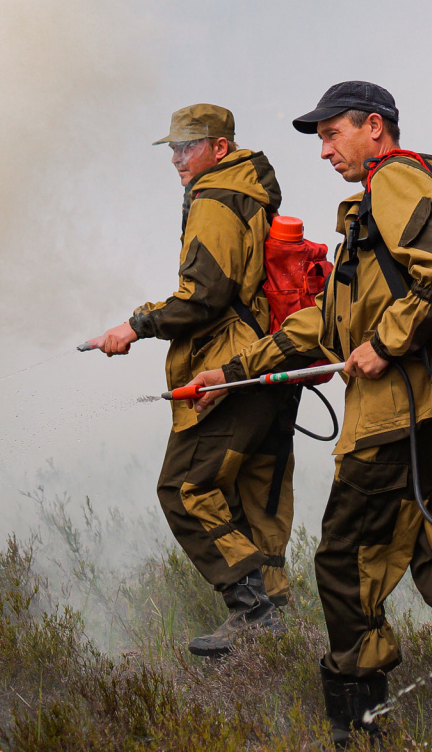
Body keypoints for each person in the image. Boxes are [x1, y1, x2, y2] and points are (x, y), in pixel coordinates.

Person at [185, 82, 432, 748]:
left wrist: (386, 341)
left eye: (332, 132)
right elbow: (330, 320)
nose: (323, 149)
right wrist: (234, 370)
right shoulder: (394, 198)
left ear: (375, 126)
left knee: (344, 568)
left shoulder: (394, 181)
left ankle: (356, 733)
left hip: (394, 424)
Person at [86, 103, 300, 657]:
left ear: (220, 148)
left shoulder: (215, 199)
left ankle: (254, 611)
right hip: (270, 367)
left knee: (184, 488)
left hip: (228, 371)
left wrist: (135, 326)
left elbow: (205, 296)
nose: (178, 159)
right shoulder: (251, 192)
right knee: (258, 499)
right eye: (174, 149)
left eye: (189, 147)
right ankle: (280, 639)